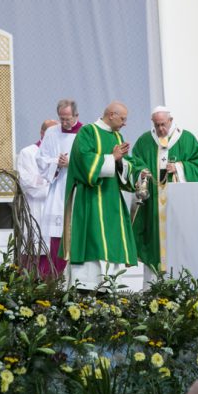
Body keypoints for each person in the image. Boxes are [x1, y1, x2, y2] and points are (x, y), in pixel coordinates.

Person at [61, 101, 140, 290]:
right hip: (91, 197)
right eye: (123, 118)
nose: (125, 123)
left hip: (111, 197)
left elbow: (126, 164)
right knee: (93, 240)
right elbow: (83, 162)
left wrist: (130, 167)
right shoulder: (88, 132)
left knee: (112, 240)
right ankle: (84, 285)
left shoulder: (117, 136)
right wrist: (112, 158)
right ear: (111, 114)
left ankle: (109, 285)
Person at [132, 106, 198, 285]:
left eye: (163, 124)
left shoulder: (186, 139)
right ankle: (152, 287)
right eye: (157, 125)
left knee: (180, 241)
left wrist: (180, 168)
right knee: (153, 243)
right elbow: (135, 162)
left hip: (179, 204)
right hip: (153, 206)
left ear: (171, 121)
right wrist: (141, 173)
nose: (160, 129)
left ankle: (181, 284)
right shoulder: (144, 141)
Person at [36, 99, 82, 276]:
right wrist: (57, 163)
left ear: (76, 115)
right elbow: (41, 159)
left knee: (77, 232)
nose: (64, 123)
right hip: (58, 188)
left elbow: (91, 160)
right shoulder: (51, 133)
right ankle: (54, 275)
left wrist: (71, 163)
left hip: (77, 187)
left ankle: (75, 277)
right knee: (57, 235)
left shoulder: (86, 132)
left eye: (68, 119)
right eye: (61, 119)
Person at [16, 118, 59, 227]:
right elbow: (27, 183)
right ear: (42, 133)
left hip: (57, 207)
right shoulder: (28, 153)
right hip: (37, 207)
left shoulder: (62, 154)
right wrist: (51, 182)